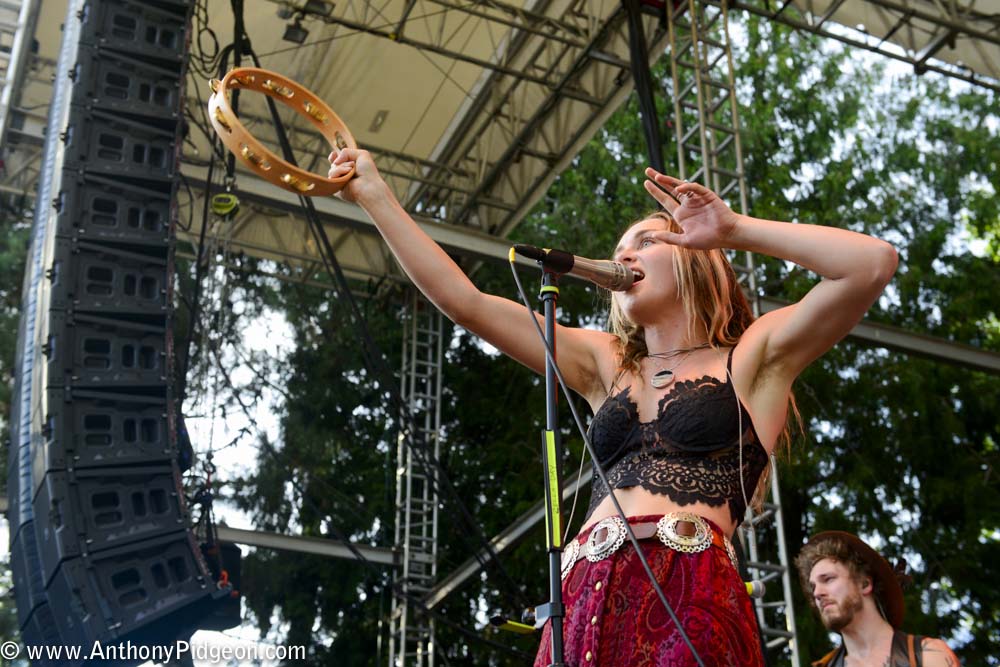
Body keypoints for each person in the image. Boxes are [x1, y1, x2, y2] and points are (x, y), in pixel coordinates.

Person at [329, 147, 897, 666]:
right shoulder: (605, 363)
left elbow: (871, 263)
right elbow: (466, 303)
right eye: (619, 251)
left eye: (645, 243)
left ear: (697, 258)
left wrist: (735, 229)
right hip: (581, 592)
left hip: (690, 590)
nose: (624, 255)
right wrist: (376, 197)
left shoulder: (752, 357)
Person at [796, 531, 962, 667]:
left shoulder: (928, 657)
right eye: (813, 587)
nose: (817, 593)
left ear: (865, 584)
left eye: (828, 579)